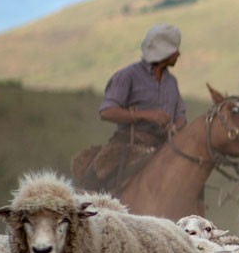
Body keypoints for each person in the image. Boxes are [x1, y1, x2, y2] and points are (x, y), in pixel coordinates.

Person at [78, 24, 187, 190]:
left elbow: (181, 116)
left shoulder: (172, 82)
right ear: (165, 52)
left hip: (164, 146)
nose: (178, 54)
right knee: (95, 177)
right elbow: (106, 112)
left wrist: (175, 126)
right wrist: (146, 115)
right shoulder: (127, 76)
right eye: (175, 50)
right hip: (128, 144)